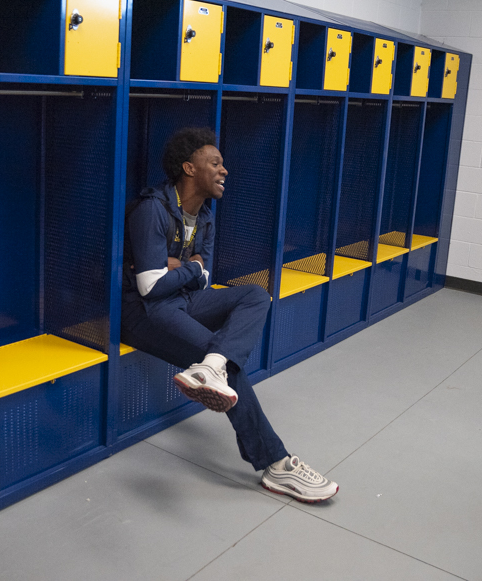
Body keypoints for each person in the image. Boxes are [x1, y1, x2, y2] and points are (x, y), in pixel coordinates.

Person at [120, 126, 338, 503]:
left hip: (183, 301)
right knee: (229, 366)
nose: (225, 170)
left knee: (255, 295)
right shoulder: (151, 208)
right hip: (145, 313)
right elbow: (150, 287)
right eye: (215, 163)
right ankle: (276, 465)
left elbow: (204, 280)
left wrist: (179, 267)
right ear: (189, 168)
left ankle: (213, 365)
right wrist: (190, 267)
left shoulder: (205, 216)